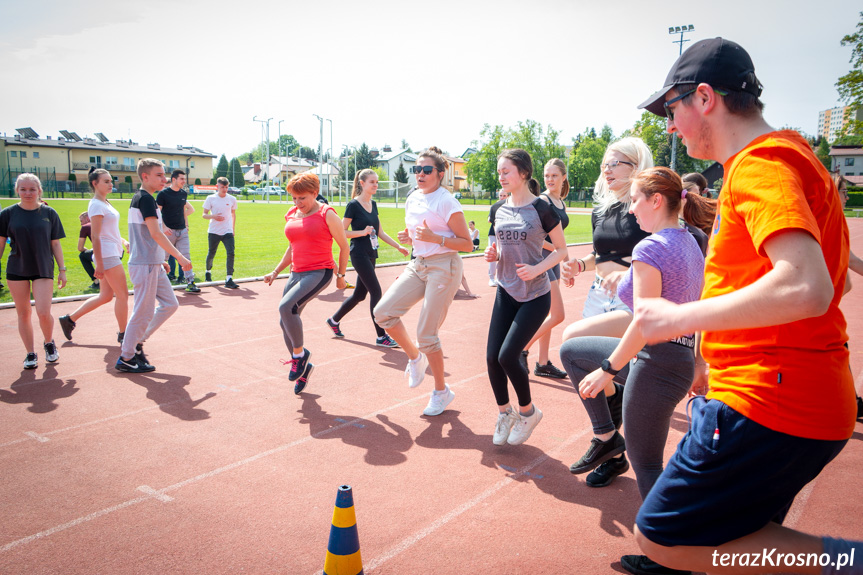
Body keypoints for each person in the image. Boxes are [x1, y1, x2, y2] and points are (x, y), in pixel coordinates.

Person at [626, 37, 860, 575]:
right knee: (743, 543)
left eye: (671, 108)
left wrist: (677, 318)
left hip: (767, 402)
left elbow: (808, 286)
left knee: (661, 536)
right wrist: (712, 356)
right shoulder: (794, 159)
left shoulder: (759, 165)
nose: (669, 125)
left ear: (704, 98)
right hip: (801, 395)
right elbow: (837, 284)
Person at [562, 168, 704, 574]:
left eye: (635, 200)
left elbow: (643, 322)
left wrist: (608, 370)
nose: (630, 208)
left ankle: (670, 556)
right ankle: (607, 437)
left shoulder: (651, 247)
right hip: (673, 359)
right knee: (573, 349)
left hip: (655, 361)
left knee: (646, 463)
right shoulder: (689, 242)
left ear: (656, 200)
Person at [557, 137, 653, 488]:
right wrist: (580, 265)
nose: (606, 169)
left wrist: (628, 275)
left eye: (616, 163)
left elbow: (660, 253)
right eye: (605, 164)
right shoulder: (603, 208)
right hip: (599, 295)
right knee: (592, 370)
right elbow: (604, 253)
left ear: (636, 165)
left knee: (573, 345)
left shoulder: (646, 207)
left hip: (632, 298)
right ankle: (612, 452)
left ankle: (608, 435)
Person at [374, 146, 474, 416]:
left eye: (426, 170)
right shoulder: (412, 197)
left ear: (440, 174)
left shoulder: (446, 201)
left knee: (427, 334)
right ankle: (415, 358)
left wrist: (436, 238)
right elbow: (417, 233)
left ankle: (442, 392)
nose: (420, 173)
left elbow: (467, 244)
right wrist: (410, 238)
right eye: (416, 169)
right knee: (382, 313)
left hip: (445, 267)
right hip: (418, 264)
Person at [485, 149, 567, 446]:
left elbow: (561, 251)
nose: (501, 176)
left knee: (509, 356)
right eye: (499, 172)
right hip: (506, 291)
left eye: (506, 171)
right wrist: (491, 254)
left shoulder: (543, 209)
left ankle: (528, 412)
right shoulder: (497, 209)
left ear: (522, 173)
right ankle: (504, 413)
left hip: (535, 295)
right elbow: (495, 248)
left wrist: (537, 269)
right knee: (492, 358)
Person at [264, 171, 349, 394]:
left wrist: (341, 276)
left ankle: (300, 355)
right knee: (285, 322)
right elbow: (292, 246)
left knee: (286, 307)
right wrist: (275, 271)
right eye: (294, 197)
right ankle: (303, 367)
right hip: (296, 272)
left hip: (319, 272)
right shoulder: (292, 213)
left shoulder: (327, 213)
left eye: (302, 198)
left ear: (315, 193)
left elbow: (344, 246)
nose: (297, 202)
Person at [116, 159, 192, 373]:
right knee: (142, 312)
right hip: (145, 264)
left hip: (152, 263)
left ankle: (137, 342)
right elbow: (155, 233)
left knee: (170, 304)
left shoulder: (144, 199)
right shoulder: (146, 199)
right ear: (145, 177)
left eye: (163, 174)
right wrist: (178, 257)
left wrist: (161, 260)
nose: (164, 178)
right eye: (159, 175)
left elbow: (149, 234)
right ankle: (126, 356)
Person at [325, 168, 408, 347]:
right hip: (358, 254)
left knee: (359, 294)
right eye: (372, 182)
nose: (375, 185)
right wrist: (362, 232)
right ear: (362, 183)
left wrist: (398, 246)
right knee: (376, 291)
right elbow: (340, 232)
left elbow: (380, 232)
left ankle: (334, 320)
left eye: (377, 182)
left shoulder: (374, 204)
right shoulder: (353, 205)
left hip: (371, 253)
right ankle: (381, 336)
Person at [0, 174, 67, 369]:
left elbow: (55, 243)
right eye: (23, 189)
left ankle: (49, 342)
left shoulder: (49, 213)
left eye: (32, 189)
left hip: (43, 267)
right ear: (17, 191)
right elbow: (1, 244)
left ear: (39, 191)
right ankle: (30, 353)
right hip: (17, 268)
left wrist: (62, 269)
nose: (28, 193)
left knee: (44, 312)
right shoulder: (7, 214)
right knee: (23, 313)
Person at [59, 168, 130, 343]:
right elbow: (96, 236)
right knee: (123, 295)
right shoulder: (97, 205)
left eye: (111, 181)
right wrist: (99, 263)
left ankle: (69, 320)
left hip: (111, 252)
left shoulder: (105, 203)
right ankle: (124, 334)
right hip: (106, 257)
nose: (110, 184)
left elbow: (108, 232)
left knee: (105, 296)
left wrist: (123, 241)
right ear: (95, 183)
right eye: (106, 181)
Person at [522, 158, 573, 379]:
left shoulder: (559, 201)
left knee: (550, 314)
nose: (549, 179)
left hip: (554, 261)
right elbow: (535, 236)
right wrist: (559, 251)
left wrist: (567, 262)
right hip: (542, 261)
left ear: (563, 177)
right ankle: (521, 349)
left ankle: (542, 363)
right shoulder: (542, 201)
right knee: (558, 315)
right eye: (547, 175)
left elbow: (560, 238)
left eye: (554, 175)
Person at [157, 169, 199, 293]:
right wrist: (163, 227)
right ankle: (159, 283)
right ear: (174, 179)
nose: (184, 181)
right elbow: (157, 213)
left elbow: (182, 211)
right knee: (163, 258)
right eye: (181, 179)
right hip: (168, 232)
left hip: (182, 231)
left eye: (184, 179)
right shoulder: (163, 194)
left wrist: (186, 224)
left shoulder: (183, 194)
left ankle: (190, 282)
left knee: (186, 256)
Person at [203, 177, 239, 289]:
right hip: (214, 231)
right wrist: (213, 216)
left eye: (226, 187)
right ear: (217, 186)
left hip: (227, 231)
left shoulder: (232, 199)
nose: (224, 189)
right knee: (212, 252)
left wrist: (233, 229)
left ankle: (229, 278)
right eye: (222, 187)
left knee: (231, 252)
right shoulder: (211, 198)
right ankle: (208, 271)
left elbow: (233, 214)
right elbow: (204, 215)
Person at [487, 189, 510, 286]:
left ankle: (503, 277)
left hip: (506, 234)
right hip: (493, 233)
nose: (502, 197)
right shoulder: (495, 206)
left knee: (504, 255)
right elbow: (489, 219)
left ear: (508, 196)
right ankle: (491, 278)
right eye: (501, 195)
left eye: (504, 195)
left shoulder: (510, 206)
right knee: (493, 254)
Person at [76, 212, 99, 291]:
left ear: (87, 219)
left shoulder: (86, 227)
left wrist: (88, 250)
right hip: (118, 251)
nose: (81, 224)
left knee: (82, 256)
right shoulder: (102, 222)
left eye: (81, 221)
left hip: (104, 252)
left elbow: (80, 248)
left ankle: (96, 282)